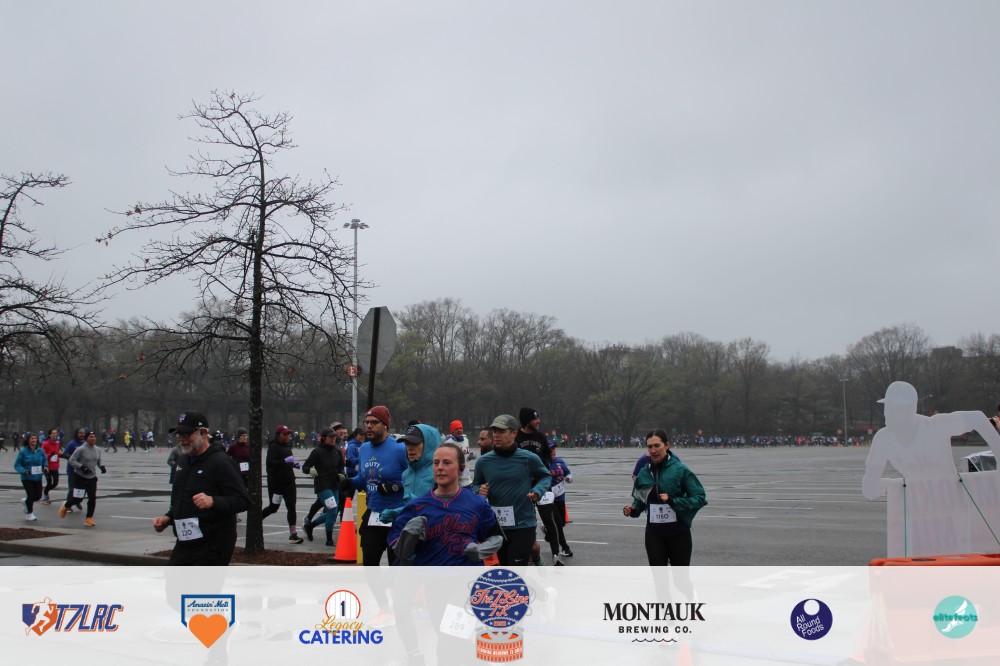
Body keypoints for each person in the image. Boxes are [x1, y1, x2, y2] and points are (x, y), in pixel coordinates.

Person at [153, 411, 251, 565]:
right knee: (173, 580)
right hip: (185, 542)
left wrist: (213, 501)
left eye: (187, 434)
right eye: (179, 434)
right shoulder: (182, 462)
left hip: (213, 545)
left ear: (203, 433)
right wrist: (168, 518)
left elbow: (243, 500)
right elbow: (182, 498)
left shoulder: (221, 462)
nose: (182, 438)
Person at [389, 441, 501, 565]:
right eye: (436, 463)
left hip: (466, 575)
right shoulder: (416, 507)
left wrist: (482, 549)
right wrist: (409, 535)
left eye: (447, 462)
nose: (440, 467)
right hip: (429, 575)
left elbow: (496, 536)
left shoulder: (478, 503)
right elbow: (399, 552)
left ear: (461, 468)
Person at [472, 413, 552, 566]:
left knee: (516, 570)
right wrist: (479, 490)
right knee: (505, 570)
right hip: (497, 527)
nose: (496, 435)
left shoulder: (528, 458)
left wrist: (538, 491)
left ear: (514, 433)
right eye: (495, 431)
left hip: (523, 525)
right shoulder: (483, 461)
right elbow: (475, 486)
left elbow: (545, 476)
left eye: (502, 431)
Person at [623, 429, 707, 567]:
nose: (653, 450)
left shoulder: (680, 470)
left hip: (679, 533)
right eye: (650, 446)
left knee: (680, 578)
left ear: (667, 445)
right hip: (654, 534)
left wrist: (673, 501)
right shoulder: (644, 472)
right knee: (659, 577)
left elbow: (700, 497)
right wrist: (633, 509)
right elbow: (640, 499)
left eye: (657, 445)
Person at [516, 407, 561, 565]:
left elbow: (548, 455)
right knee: (526, 520)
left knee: (548, 518)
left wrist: (544, 466)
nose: (538, 421)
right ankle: (530, 552)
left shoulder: (541, 437)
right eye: (535, 419)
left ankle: (556, 555)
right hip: (522, 485)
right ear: (527, 420)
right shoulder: (516, 436)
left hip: (541, 484)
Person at [378, 424, 442, 526]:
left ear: (429, 445)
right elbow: (411, 509)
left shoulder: (440, 472)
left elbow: (445, 508)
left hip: (434, 530)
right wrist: (398, 513)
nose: (410, 448)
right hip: (410, 531)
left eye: (415, 443)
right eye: (407, 443)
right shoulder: (406, 474)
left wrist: (415, 504)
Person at [301, 427, 346, 547]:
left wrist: (342, 474)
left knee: (333, 512)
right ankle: (329, 540)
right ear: (323, 438)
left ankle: (310, 526)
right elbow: (305, 467)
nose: (333, 439)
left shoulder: (337, 451)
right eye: (331, 437)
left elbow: (341, 467)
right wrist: (310, 470)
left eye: (334, 436)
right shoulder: (317, 452)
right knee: (333, 510)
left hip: (334, 485)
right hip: (323, 485)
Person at [261, 425, 303, 543]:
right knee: (274, 507)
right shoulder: (273, 447)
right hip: (277, 483)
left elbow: (289, 460)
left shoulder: (288, 446)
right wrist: (284, 461)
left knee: (291, 506)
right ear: (278, 435)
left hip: (289, 481)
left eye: (288, 434)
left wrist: (293, 464)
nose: (287, 436)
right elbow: (270, 463)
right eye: (284, 434)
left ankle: (293, 534)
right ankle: (257, 520)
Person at [61, 430, 107, 526]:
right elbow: (72, 460)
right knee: (78, 499)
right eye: (90, 437)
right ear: (86, 439)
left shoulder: (98, 449)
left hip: (92, 477)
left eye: (94, 437)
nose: (93, 438)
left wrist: (101, 467)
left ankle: (89, 518)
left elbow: (98, 460)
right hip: (80, 477)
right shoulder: (81, 449)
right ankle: (66, 505)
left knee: (92, 498)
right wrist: (81, 467)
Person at [549, 443, 574, 557]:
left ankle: (547, 530)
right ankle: (565, 547)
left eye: (554, 449)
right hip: (548, 498)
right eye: (550, 449)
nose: (553, 451)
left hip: (560, 496)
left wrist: (568, 478)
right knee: (558, 523)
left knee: (562, 522)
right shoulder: (542, 463)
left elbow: (568, 473)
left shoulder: (560, 461)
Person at [14, 434, 46, 521]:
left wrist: (45, 467)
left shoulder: (40, 451)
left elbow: (45, 460)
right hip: (27, 478)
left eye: (35, 438)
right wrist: (23, 471)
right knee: (31, 496)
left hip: (38, 477)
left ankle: (26, 501)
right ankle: (29, 514)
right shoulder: (23, 452)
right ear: (28, 440)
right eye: (31, 438)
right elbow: (17, 465)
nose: (34, 440)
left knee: (38, 496)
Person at [61, 428, 86, 510]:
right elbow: (64, 454)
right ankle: (68, 505)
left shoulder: (85, 443)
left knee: (81, 488)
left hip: (82, 470)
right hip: (72, 470)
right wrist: (74, 458)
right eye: (80, 433)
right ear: (76, 434)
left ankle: (77, 501)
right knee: (72, 489)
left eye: (83, 433)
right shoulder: (72, 444)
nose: (82, 435)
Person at [443, 420, 473, 487]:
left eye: (460, 428)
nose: (459, 430)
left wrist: (469, 457)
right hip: (455, 479)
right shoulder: (448, 443)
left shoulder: (466, 440)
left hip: (467, 477)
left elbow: (466, 456)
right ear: (452, 431)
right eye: (456, 429)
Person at [41, 429, 62, 504]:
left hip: (55, 466)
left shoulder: (57, 443)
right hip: (47, 467)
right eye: (53, 433)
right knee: (49, 483)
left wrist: (64, 456)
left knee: (55, 483)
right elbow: (42, 455)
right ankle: (45, 496)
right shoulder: (45, 443)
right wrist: (50, 454)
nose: (55, 434)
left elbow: (57, 453)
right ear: (50, 435)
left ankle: (46, 490)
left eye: (56, 433)